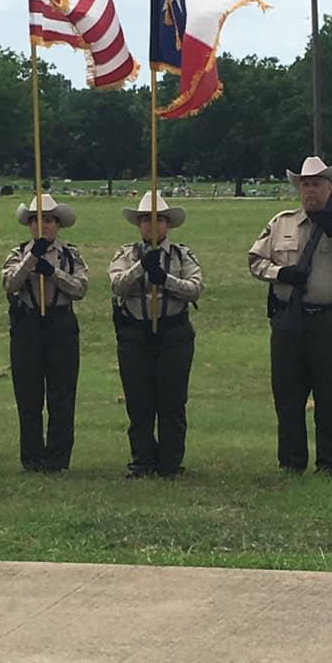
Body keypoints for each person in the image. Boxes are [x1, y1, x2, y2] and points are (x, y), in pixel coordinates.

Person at [248, 156, 332, 475]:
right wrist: (281, 273)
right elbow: (255, 262)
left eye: (317, 184)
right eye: (305, 184)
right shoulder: (281, 223)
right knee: (287, 394)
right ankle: (291, 461)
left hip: (330, 321)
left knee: (331, 395)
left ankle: (330, 462)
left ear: (330, 188)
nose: (310, 190)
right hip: (288, 320)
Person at [108, 191, 204, 479]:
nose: (152, 225)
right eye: (145, 220)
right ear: (139, 224)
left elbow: (195, 288)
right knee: (139, 400)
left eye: (158, 219)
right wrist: (141, 268)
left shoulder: (181, 255)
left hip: (173, 332)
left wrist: (166, 280)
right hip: (135, 332)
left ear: (168, 224)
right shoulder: (126, 254)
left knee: (172, 400)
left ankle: (171, 462)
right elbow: (117, 285)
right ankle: (142, 460)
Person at [1, 194, 88, 473]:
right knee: (28, 396)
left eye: (49, 220)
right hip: (27, 325)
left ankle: (58, 459)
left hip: (60, 324)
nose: (44, 226)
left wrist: (52, 272)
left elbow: (80, 289)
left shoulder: (70, 256)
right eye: (37, 220)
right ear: (29, 224)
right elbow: (10, 284)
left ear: (58, 224)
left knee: (62, 395)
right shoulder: (17, 253)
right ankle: (32, 458)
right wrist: (31, 259)